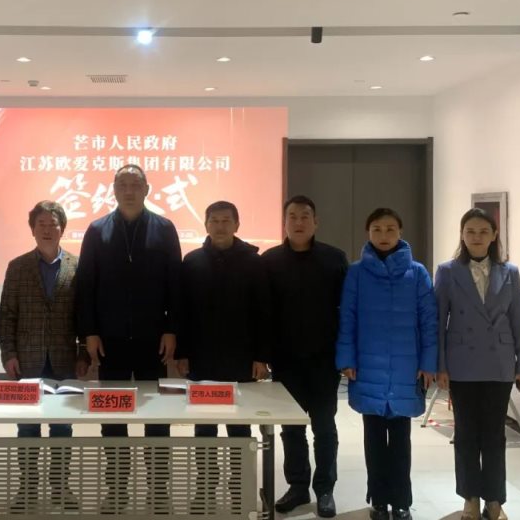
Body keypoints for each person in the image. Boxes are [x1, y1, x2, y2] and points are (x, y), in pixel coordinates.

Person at [77, 164, 181, 513]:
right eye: (122, 184)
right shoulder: (97, 230)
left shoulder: (164, 228)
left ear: (147, 189)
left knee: (157, 416)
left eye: (136, 184)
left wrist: (171, 329)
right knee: (113, 415)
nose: (129, 190)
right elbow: (86, 284)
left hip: (153, 338)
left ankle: (158, 489)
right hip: (111, 339)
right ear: (114, 189)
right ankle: (117, 488)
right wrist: (90, 332)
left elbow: (174, 283)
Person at [336, 208, 437, 520]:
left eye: (390, 229)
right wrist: (346, 359)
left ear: (400, 232)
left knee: (402, 441)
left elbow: (429, 321)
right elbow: (347, 317)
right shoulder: (356, 273)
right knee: (374, 440)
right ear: (368, 233)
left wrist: (428, 362)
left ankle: (402, 501)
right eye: (377, 229)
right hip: (368, 368)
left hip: (407, 369)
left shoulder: (417, 273)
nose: (384, 235)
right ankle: (379, 500)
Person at [435, 208, 520, 520]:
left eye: (483, 232)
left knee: (494, 436)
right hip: (461, 363)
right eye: (470, 232)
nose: (476, 237)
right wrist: (440, 366)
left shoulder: (510, 272)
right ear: (462, 235)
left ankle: (494, 500)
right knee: (465, 435)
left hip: (499, 363)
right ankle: (470, 498)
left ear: (494, 236)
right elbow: (438, 322)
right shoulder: (447, 271)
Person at [176, 201, 271, 512]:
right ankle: (205, 487)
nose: (220, 226)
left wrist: (261, 356)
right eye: (214, 221)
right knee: (204, 427)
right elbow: (183, 313)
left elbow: (263, 312)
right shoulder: (191, 262)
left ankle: (239, 488)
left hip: (240, 358)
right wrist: (182, 353)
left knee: (239, 427)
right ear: (205, 225)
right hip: (201, 358)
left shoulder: (254, 262)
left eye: (226, 220)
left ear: (236, 225)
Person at [261, 195, 347, 518]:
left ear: (316, 222)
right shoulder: (269, 261)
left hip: (324, 360)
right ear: (284, 222)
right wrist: (264, 355)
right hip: (285, 361)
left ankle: (325, 489)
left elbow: (347, 311)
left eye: (305, 216)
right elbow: (263, 312)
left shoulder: (334, 259)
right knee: (291, 429)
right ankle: (298, 487)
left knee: (324, 427)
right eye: (292, 216)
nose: (298, 222)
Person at [0, 200, 89, 510]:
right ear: (32, 229)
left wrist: (83, 355)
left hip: (64, 360)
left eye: (53, 224)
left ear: (63, 229)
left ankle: (61, 487)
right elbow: (7, 315)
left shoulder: (77, 266)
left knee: (62, 427)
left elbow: (84, 316)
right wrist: (8, 354)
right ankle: (27, 488)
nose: (47, 230)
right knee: (27, 427)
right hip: (27, 360)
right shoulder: (17, 266)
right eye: (41, 224)